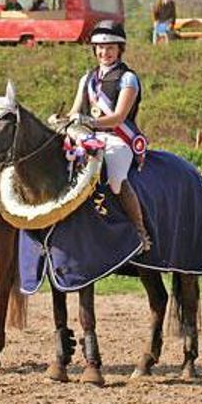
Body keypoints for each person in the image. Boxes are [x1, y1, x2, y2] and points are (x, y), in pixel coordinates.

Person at [66, 20, 151, 248]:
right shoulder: (87, 79)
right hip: (88, 137)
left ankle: (140, 232)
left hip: (117, 138)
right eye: (101, 48)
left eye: (111, 48)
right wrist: (64, 120)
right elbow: (75, 111)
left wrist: (89, 120)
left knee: (115, 180)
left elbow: (118, 118)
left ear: (119, 50)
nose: (105, 52)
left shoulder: (128, 78)